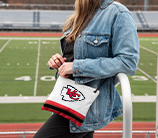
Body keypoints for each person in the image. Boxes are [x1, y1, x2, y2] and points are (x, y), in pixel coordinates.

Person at [33, 0, 139, 137]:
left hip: (87, 104)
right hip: (67, 97)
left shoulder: (118, 13)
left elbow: (128, 62)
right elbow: (74, 56)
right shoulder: (78, 16)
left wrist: (77, 67)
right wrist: (58, 61)